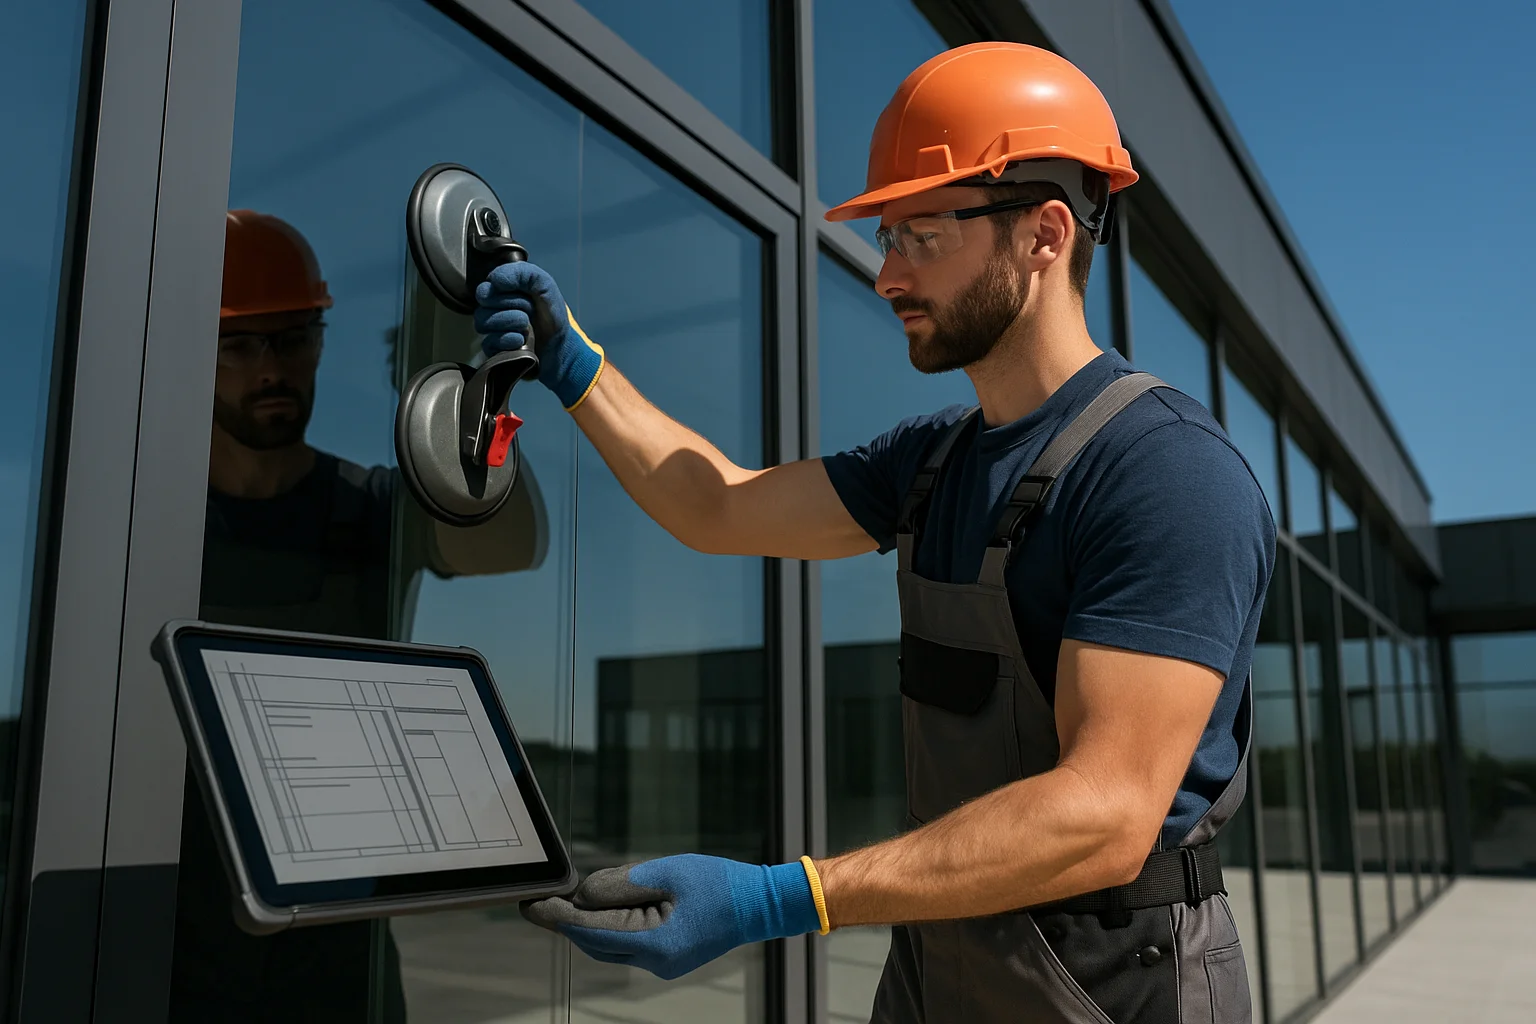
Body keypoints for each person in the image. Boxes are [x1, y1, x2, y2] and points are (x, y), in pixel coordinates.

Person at [500, 43, 1275, 1024]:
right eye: (886, 237)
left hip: (1114, 982)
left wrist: (784, 896)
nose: (886, 274)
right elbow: (719, 505)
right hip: (941, 966)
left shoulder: (1165, 474)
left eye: (921, 236)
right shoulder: (931, 463)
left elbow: (1104, 816)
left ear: (1043, 235)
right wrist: (575, 367)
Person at [171, 209, 547, 1022]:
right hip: (167, 935)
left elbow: (508, 544)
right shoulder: (150, 525)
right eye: (241, 345)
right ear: (194, 354)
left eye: (293, 338)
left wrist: (457, 391)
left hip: (339, 953)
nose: (270, 368)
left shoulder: (374, 506)